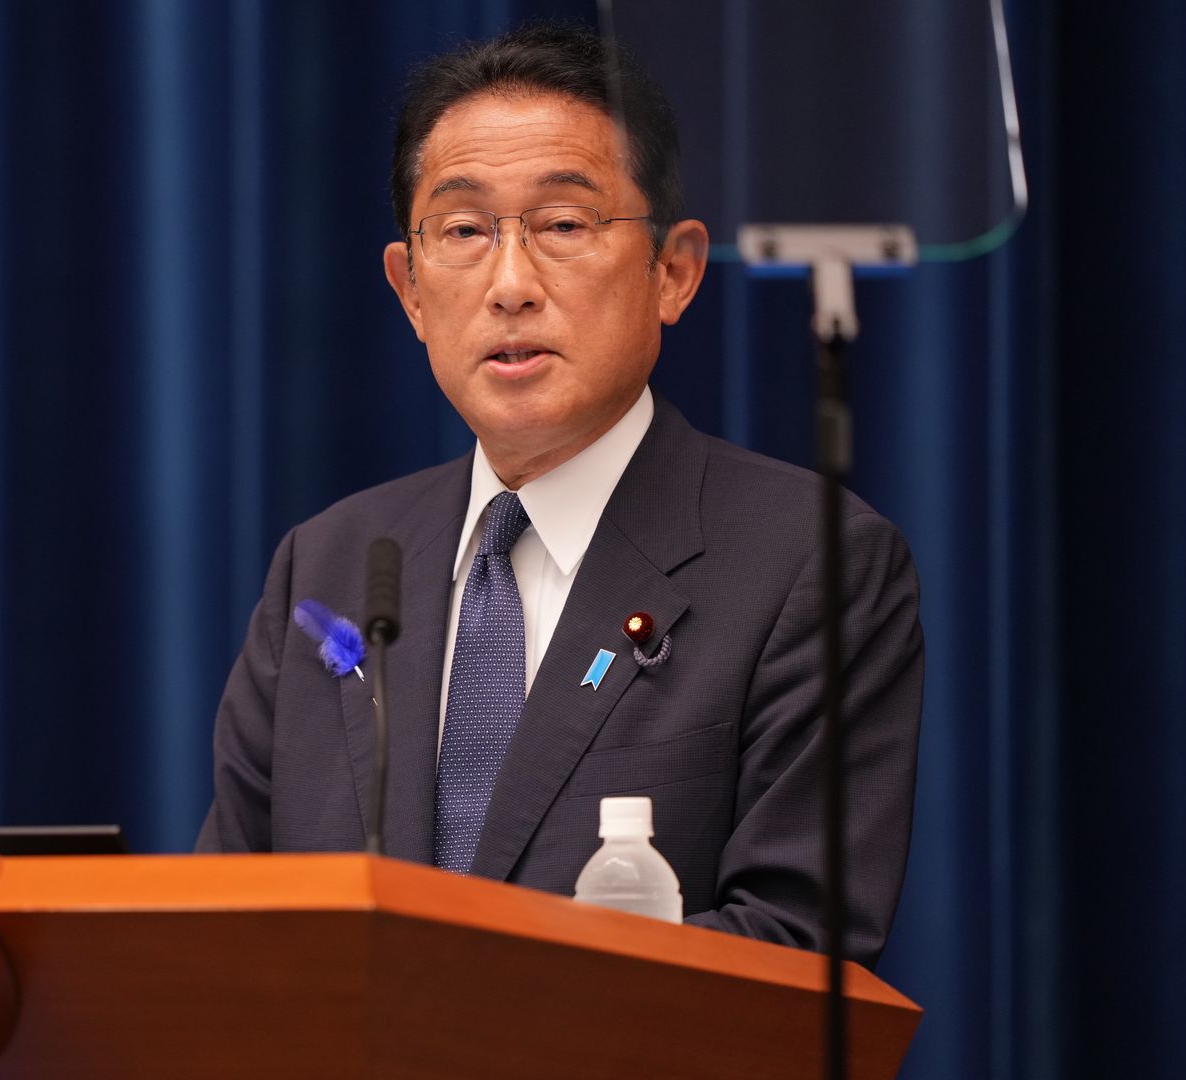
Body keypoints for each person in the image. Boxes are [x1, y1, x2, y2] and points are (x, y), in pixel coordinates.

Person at [195, 22, 923, 968]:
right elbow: (228, 929)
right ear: (410, 290)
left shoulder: (810, 563)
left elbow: (792, 952)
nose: (509, 284)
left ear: (675, 271)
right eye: (462, 231)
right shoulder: (329, 565)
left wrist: (444, 1021)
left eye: (564, 225)